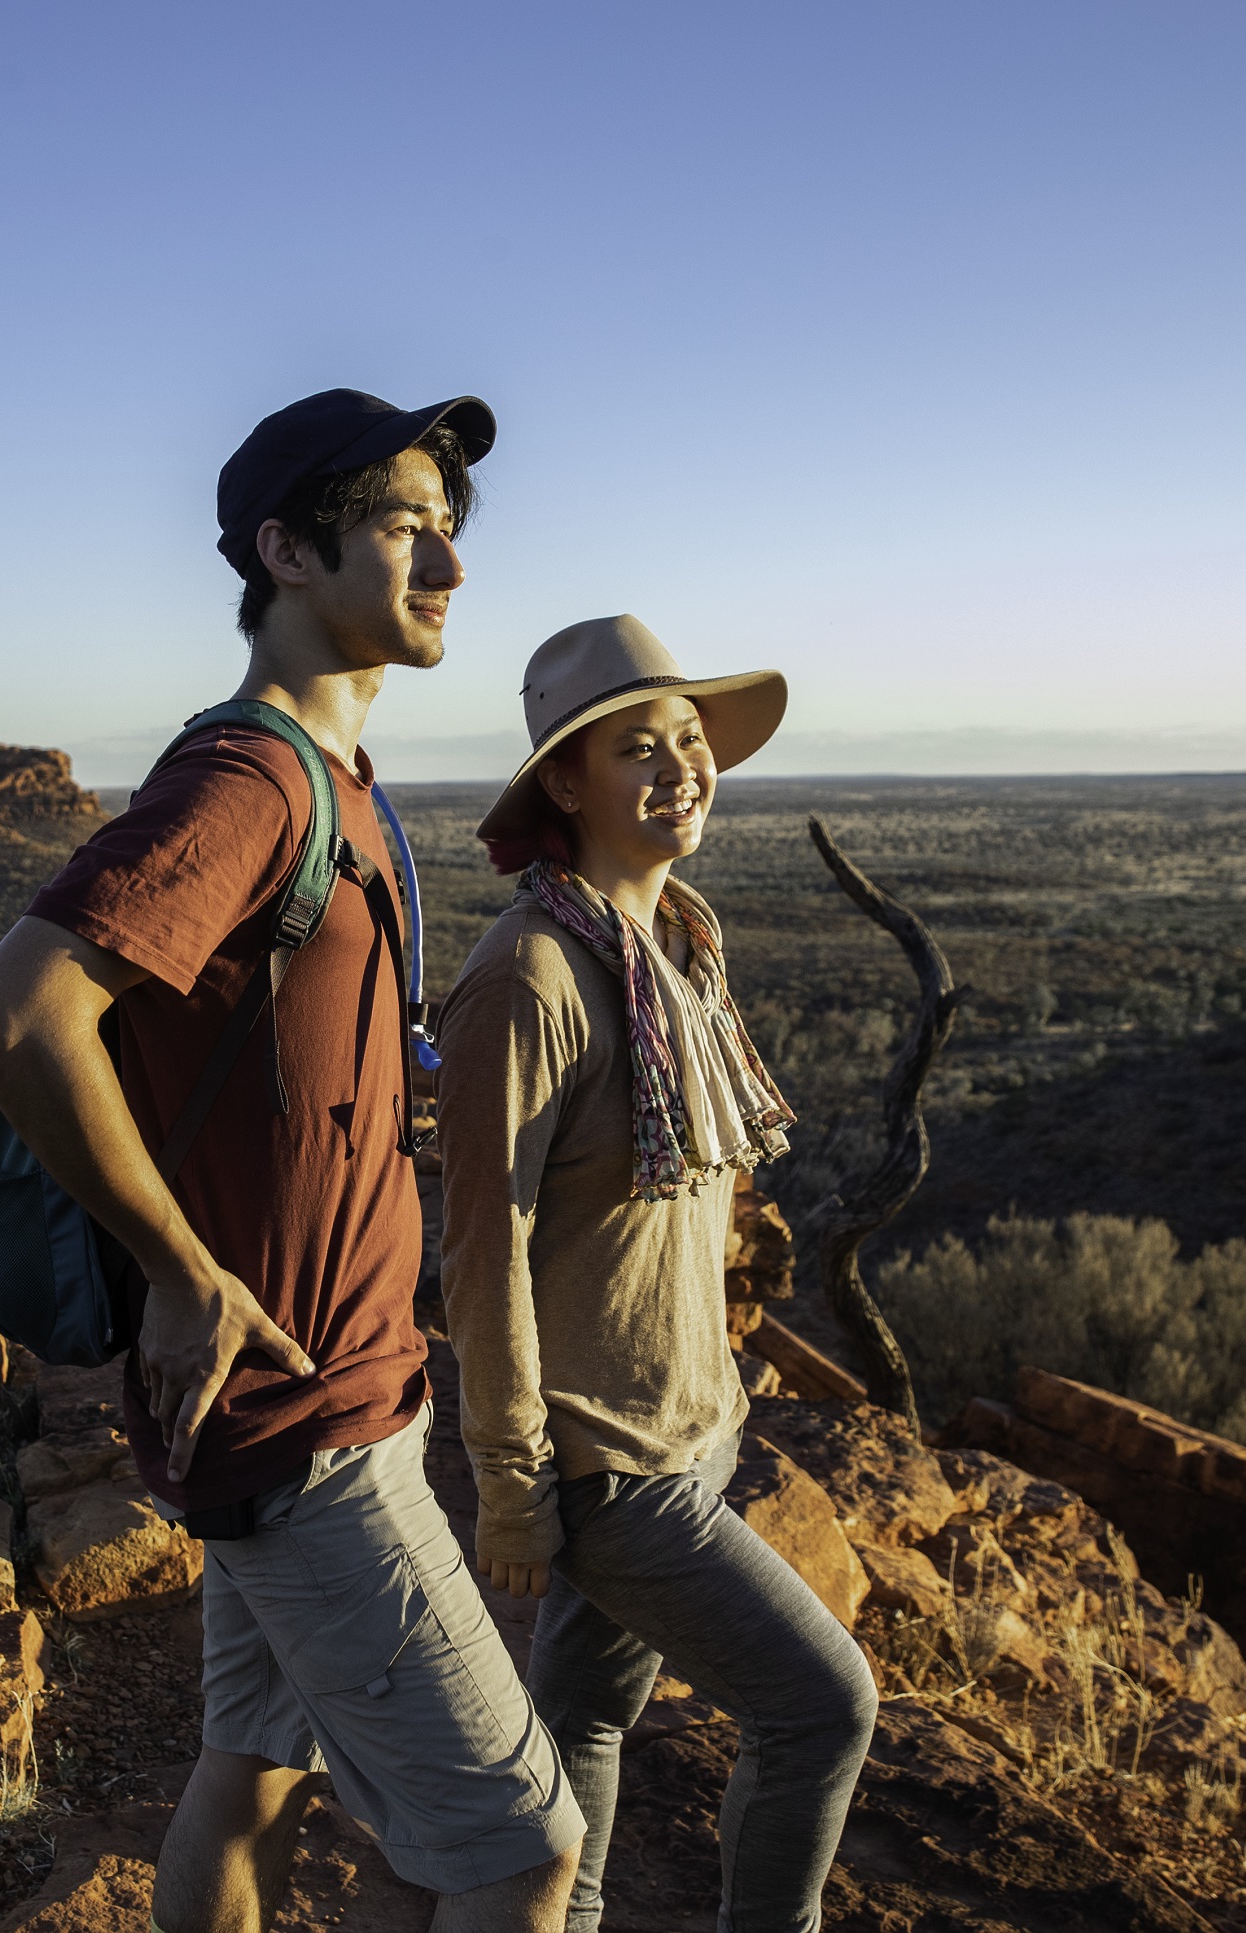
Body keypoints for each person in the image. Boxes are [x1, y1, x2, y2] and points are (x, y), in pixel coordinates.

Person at [0, 390, 585, 1933]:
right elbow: (19, 1015)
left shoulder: (342, 782)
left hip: (307, 1397)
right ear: (285, 550)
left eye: (451, 528)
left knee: (250, 1781)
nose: (443, 561)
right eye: (401, 525)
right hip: (309, 1424)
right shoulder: (255, 781)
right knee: (521, 1848)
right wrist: (183, 1272)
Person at [436, 615, 879, 1932]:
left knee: (583, 1721)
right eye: (642, 747)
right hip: (608, 1464)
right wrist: (512, 1487)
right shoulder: (526, 978)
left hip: (689, 1430)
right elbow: (479, 1252)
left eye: (691, 741)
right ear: (565, 781)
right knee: (821, 1705)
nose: (684, 766)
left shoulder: (679, 947)